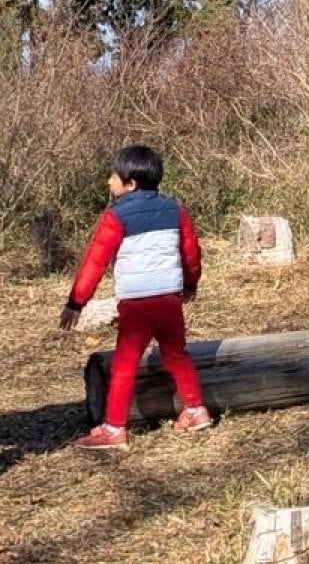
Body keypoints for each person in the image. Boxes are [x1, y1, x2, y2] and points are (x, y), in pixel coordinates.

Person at [60, 144, 212, 450]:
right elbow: (191, 252)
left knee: (125, 362)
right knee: (176, 353)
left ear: (130, 183)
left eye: (113, 176)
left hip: (136, 302)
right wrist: (191, 283)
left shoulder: (115, 216)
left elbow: (95, 261)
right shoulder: (176, 209)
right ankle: (196, 410)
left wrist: (76, 302)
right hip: (169, 296)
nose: (108, 181)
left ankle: (114, 429)